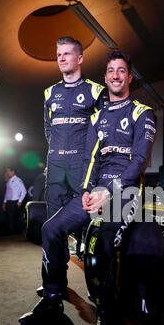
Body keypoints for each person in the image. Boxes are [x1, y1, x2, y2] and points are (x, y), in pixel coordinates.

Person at [19, 50, 162, 325]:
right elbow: (91, 160)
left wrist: (107, 192)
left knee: (101, 242)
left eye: (121, 71)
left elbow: (139, 162)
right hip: (95, 190)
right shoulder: (96, 117)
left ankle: (107, 317)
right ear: (106, 76)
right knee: (51, 228)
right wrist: (86, 192)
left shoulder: (142, 113)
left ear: (129, 77)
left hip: (126, 191)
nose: (115, 75)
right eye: (111, 71)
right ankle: (53, 299)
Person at [44, 36, 108, 218]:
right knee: (53, 221)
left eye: (66, 54)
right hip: (55, 165)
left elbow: (103, 133)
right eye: (58, 55)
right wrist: (56, 152)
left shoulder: (95, 91)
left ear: (79, 58)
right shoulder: (50, 93)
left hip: (82, 166)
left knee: (86, 217)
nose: (61, 59)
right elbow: (49, 130)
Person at [2, 167, 27, 234]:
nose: (7, 173)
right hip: (8, 202)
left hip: (14, 202)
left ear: (13, 172)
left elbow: (24, 191)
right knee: (9, 219)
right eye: (6, 171)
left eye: (8, 171)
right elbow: (7, 192)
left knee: (13, 219)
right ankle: (11, 234)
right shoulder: (8, 180)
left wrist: (20, 201)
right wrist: (4, 202)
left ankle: (14, 234)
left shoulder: (17, 180)